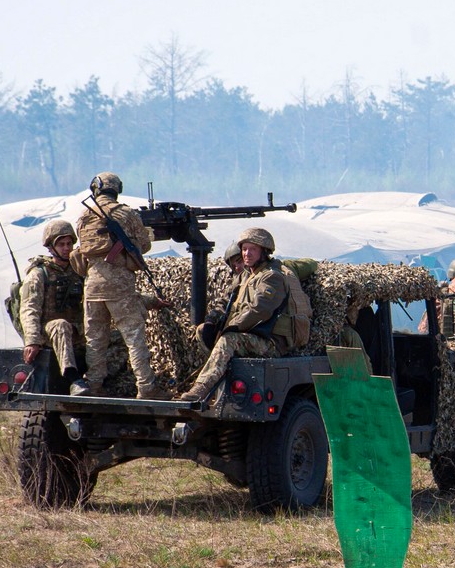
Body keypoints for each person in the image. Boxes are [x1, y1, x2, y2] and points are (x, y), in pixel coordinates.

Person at [69, 172, 164, 399]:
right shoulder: (125, 213)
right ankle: (147, 387)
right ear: (117, 189)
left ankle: (94, 384)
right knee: (134, 337)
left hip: (92, 285)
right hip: (119, 285)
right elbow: (144, 245)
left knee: (95, 340)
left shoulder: (84, 217)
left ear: (95, 189)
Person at [178, 227, 290, 402]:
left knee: (228, 339)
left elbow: (259, 310)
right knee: (201, 331)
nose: (247, 254)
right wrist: (211, 321)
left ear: (264, 252)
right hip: (247, 335)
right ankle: (216, 379)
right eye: (244, 249)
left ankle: (202, 389)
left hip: (269, 342)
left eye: (252, 249)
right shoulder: (245, 276)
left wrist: (231, 328)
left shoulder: (271, 277)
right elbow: (225, 302)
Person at [18, 219, 85, 388]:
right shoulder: (39, 274)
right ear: (50, 247)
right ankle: (73, 378)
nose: (66, 248)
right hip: (48, 333)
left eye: (69, 243)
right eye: (61, 244)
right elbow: (29, 309)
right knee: (60, 325)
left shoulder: (80, 271)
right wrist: (32, 341)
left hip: (76, 331)